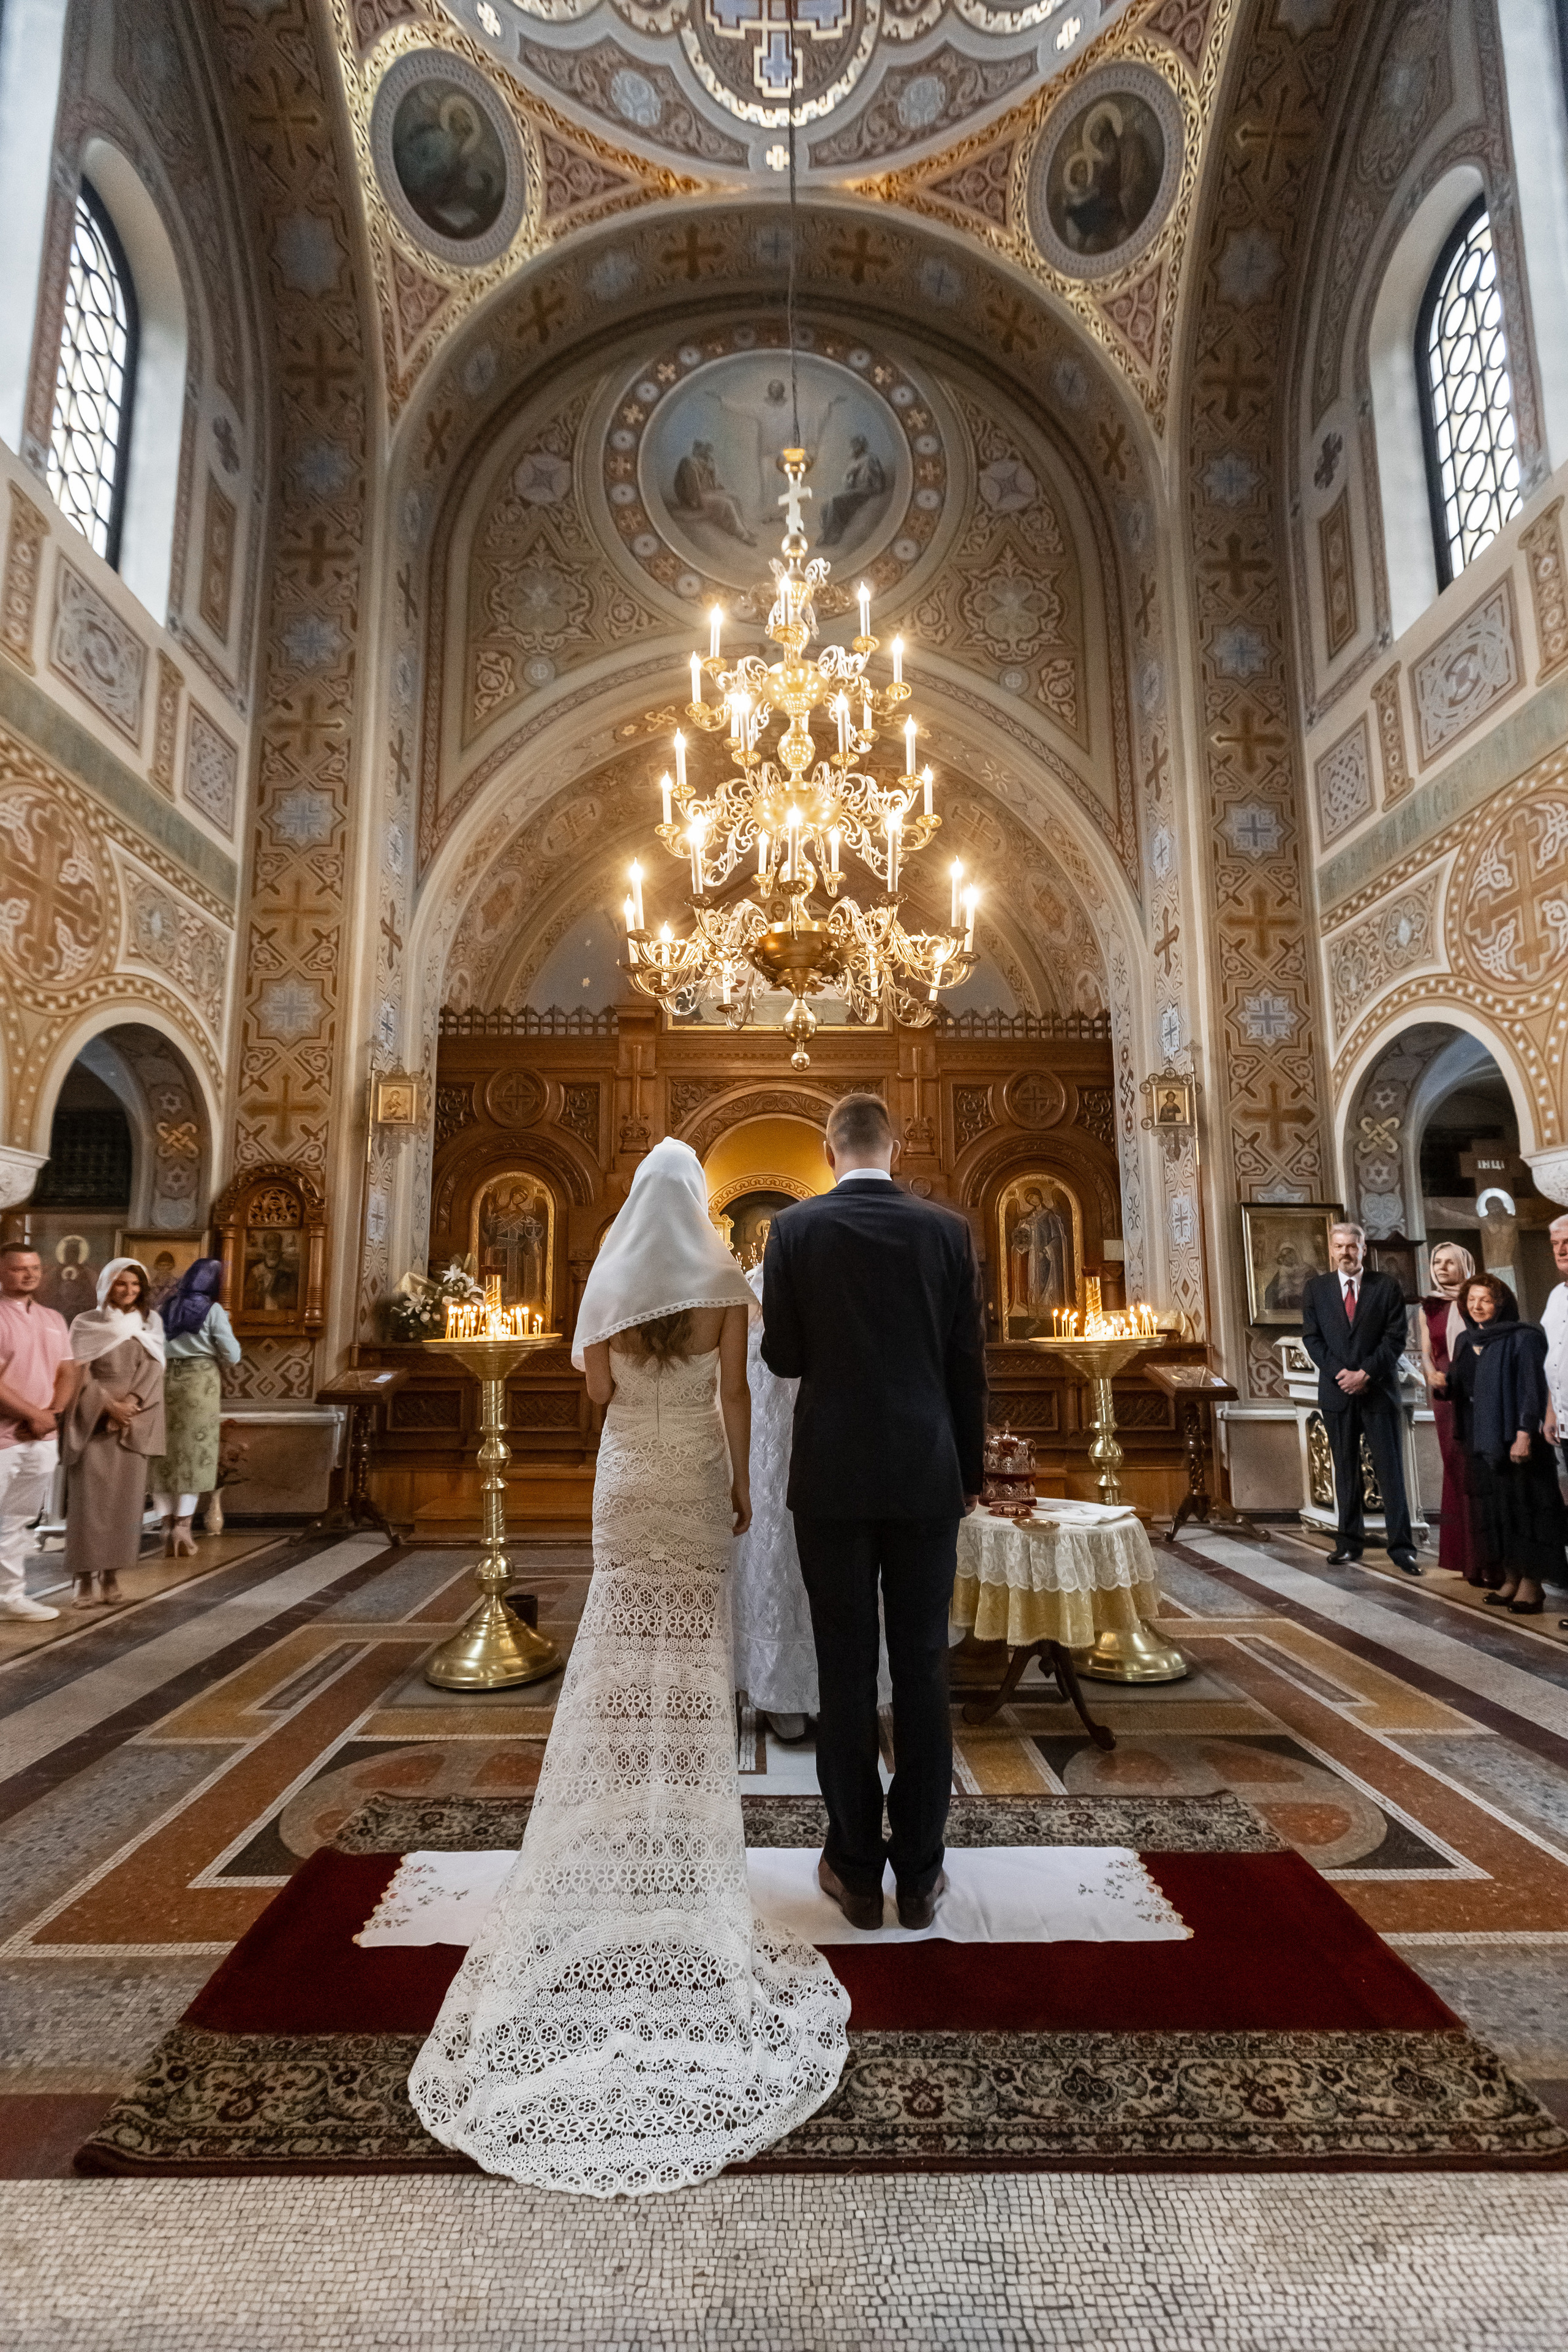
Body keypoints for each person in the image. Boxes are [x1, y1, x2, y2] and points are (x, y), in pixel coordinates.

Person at [410, 1139, 848, 2196]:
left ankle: (616, 1829)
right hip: (695, 1473)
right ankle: (682, 1844)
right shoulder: (721, 1283)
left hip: (628, 1481)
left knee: (617, 1652)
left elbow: (596, 1394)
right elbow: (739, 1401)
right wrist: (743, 1486)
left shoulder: (610, 1282)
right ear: (697, 1204)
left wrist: (632, 1397)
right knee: (695, 1660)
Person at [761, 1093, 987, 1933]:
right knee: (924, 1670)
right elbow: (969, 1366)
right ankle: (921, 1875)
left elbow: (782, 1354)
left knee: (846, 1674)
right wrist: (967, 1473)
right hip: (927, 1473)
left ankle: (856, 1872)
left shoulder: (795, 1232)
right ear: (896, 1147)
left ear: (829, 1151)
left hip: (832, 1478)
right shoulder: (946, 1231)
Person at [729, 1262, 892, 1742]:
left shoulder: (833, 1281)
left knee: (826, 1574)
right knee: (779, 1565)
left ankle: (826, 1693)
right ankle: (781, 1692)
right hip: (772, 1450)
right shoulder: (753, 1285)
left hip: (818, 1444)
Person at [1300, 1220, 1420, 1575]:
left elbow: (1395, 1337)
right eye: (1339, 1247)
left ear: (1363, 1249)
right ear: (1331, 1250)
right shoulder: (1317, 1289)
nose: (1346, 1253)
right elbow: (1312, 1339)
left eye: (1353, 1246)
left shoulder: (1386, 1286)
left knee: (1390, 1471)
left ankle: (1402, 1548)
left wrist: (1365, 1374)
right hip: (1337, 1393)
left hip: (1378, 1391)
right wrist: (1343, 1375)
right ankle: (1349, 1544)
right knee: (1346, 1471)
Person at [1447, 1273, 1566, 1617]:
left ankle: (1533, 1584)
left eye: (1485, 1299)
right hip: (1482, 1441)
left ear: (1501, 1303)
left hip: (1517, 1438)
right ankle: (1511, 1577)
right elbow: (1462, 1386)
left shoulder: (1524, 1337)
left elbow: (1534, 1388)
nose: (1477, 1306)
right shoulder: (1465, 1340)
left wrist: (1524, 1433)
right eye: (1471, 1300)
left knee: (1527, 1509)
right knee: (1499, 1513)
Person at [60, 1259, 165, 1609]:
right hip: (93, 1419)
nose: (129, 1291)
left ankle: (111, 1575)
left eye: (136, 1286)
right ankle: (83, 1578)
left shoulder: (150, 1323)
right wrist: (108, 1406)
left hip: (135, 1419)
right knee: (89, 1505)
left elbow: (154, 1368)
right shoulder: (86, 1323)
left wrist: (132, 1402)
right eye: (122, 1284)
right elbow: (79, 1372)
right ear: (107, 1285)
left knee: (126, 1504)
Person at [0, 1242, 75, 1621]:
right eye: (18, 1269)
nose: (28, 1274)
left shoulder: (53, 1318)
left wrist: (54, 1412)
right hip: (3, 1439)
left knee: (17, 1522)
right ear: (1, 1272)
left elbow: (67, 1370)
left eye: (34, 1268)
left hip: (42, 1438)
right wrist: (32, 1413)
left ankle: (10, 1598)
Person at [147, 1258, 239, 1558]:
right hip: (199, 1385)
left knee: (162, 1453)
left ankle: (165, 1524)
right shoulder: (212, 1311)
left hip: (163, 1381)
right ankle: (183, 1528)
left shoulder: (165, 1307)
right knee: (195, 1454)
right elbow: (233, 1355)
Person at [1419, 1242, 1479, 1583]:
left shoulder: (1479, 1299)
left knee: (1478, 1463)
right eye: (1437, 1262)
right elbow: (1427, 1351)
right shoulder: (1429, 1306)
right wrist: (1430, 1374)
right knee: (1455, 1463)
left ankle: (1484, 1551)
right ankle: (1461, 1555)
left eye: (1450, 1262)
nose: (1442, 1268)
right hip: (1444, 1390)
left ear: (1464, 1265)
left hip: (1477, 1384)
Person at [1540, 1212, 1568, 1627]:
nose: (1562, 1250)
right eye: (1557, 1244)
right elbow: (1553, 1359)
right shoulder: (1557, 1296)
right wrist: (1549, 1410)